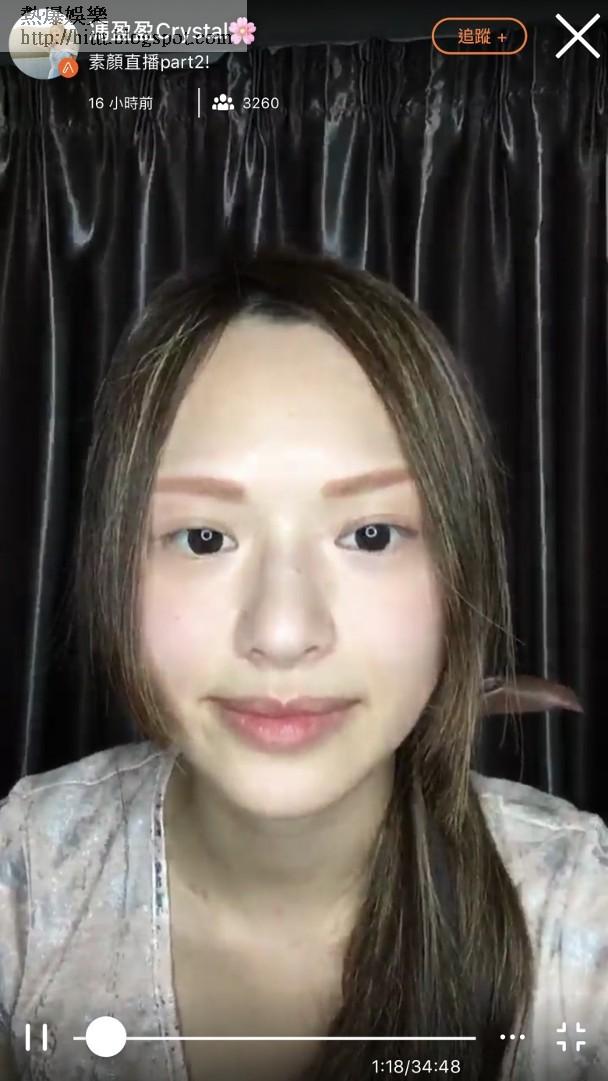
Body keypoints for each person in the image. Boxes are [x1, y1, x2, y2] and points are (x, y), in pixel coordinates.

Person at [0, 249, 606, 1081]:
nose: (283, 633)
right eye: (204, 537)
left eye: (371, 534)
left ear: (457, 572)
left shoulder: (579, 910)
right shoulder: (28, 881)